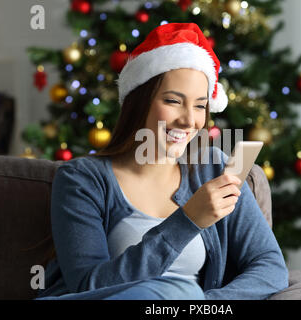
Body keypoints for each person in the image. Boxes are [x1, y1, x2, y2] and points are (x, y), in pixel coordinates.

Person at [35, 22, 288, 300]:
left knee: (183, 292)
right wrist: (188, 220)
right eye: (173, 101)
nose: (189, 120)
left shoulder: (214, 168)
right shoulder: (82, 179)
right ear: (140, 102)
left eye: (200, 105)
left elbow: (270, 267)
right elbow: (89, 287)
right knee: (175, 290)